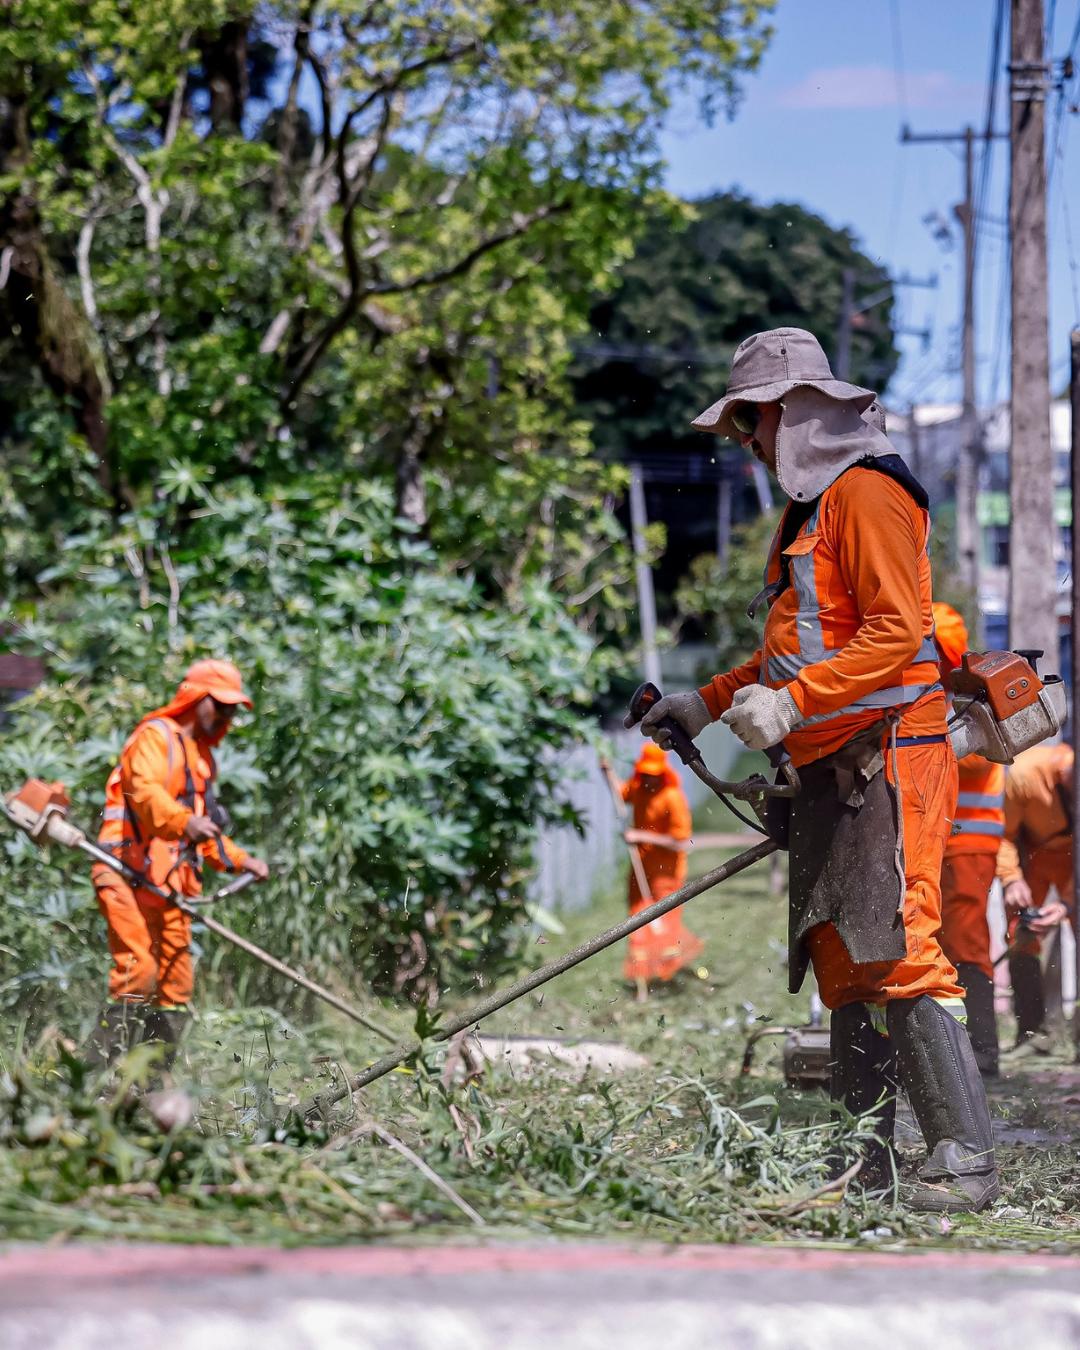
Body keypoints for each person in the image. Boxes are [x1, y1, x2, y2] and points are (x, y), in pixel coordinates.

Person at [628, 327, 997, 1211]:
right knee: (844, 959)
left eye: (751, 425)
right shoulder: (808, 513)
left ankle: (965, 1161)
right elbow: (790, 657)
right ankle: (862, 1160)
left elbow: (895, 633)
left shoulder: (867, 495)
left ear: (791, 416)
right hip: (834, 769)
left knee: (902, 954)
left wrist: (792, 707)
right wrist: (707, 702)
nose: (747, 444)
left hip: (891, 756)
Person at [86, 659, 269, 1065]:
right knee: (138, 973)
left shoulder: (200, 759)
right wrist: (186, 822)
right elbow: (147, 798)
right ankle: (92, 1077)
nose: (228, 716)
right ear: (197, 699)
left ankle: (153, 1084)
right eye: (222, 706)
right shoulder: (154, 738)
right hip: (123, 869)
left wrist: (242, 862)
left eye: (233, 709)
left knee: (175, 987)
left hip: (166, 884)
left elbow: (204, 831)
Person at [931, 602, 1005, 1077]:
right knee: (934, 943)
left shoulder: (970, 695)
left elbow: (976, 755)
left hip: (967, 843)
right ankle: (949, 1051)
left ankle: (981, 1050)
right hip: (939, 841)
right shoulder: (935, 692)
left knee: (966, 943)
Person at [996, 742, 1075, 1058]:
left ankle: (1074, 1038)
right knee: (1021, 931)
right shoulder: (1025, 774)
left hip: (1074, 861)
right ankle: (1032, 1033)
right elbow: (1003, 834)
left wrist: (1068, 904)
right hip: (1035, 854)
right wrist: (1011, 878)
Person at [615, 743, 702, 994]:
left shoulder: (672, 797)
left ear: (662, 772)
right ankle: (642, 983)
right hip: (641, 870)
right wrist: (608, 772)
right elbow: (622, 795)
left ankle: (665, 979)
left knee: (665, 927)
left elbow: (680, 841)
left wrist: (641, 836)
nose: (649, 780)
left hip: (667, 874)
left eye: (654, 775)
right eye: (646, 774)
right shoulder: (639, 786)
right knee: (638, 924)